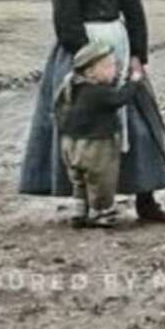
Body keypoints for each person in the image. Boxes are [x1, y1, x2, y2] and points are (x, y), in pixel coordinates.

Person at [19, 0, 165, 222]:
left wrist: (136, 56)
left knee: (139, 124)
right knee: (86, 128)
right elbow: (65, 21)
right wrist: (90, 61)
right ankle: (86, 201)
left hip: (119, 45)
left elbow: (134, 13)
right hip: (83, 55)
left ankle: (145, 197)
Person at [54, 42, 136, 228]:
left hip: (71, 143)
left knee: (79, 180)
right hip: (95, 145)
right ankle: (100, 212)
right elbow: (119, 99)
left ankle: (79, 210)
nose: (114, 70)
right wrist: (134, 82)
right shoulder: (98, 92)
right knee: (101, 179)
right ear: (90, 72)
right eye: (108, 66)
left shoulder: (72, 86)